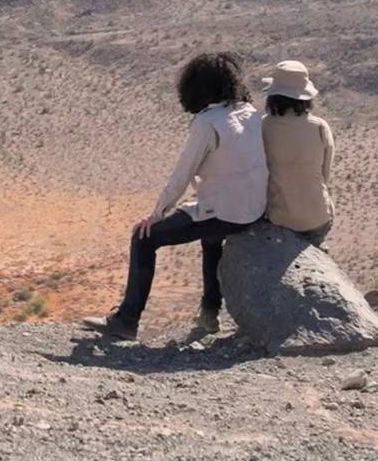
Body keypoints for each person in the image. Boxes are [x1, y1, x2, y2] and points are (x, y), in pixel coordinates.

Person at [82, 52, 268, 340]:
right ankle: (209, 313)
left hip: (226, 212)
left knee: (144, 238)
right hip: (253, 209)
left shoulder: (207, 123)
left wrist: (156, 215)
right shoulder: (250, 112)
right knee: (209, 231)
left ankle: (126, 320)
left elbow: (181, 176)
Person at [261, 60, 335, 247]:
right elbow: (325, 175)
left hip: (280, 219)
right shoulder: (319, 126)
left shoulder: (261, 127)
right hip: (318, 218)